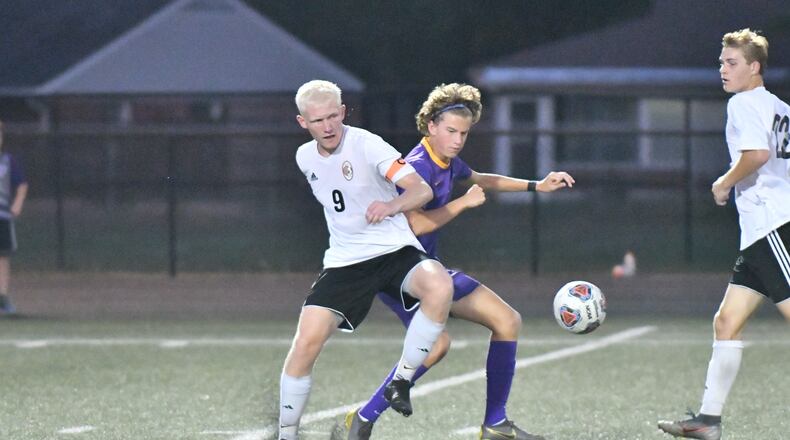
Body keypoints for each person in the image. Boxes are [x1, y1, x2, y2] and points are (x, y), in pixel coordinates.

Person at [344, 83, 574, 440]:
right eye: (450, 131)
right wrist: (462, 204)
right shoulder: (416, 168)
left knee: (506, 321)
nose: (457, 140)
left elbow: (482, 179)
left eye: (464, 133)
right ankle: (363, 417)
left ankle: (494, 424)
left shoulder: (446, 161)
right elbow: (415, 225)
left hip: (430, 270)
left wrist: (536, 185)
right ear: (430, 126)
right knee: (437, 345)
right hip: (397, 273)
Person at [278, 80, 454, 440]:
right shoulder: (304, 157)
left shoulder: (368, 144)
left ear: (343, 112)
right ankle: (286, 434)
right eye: (317, 121)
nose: (327, 127)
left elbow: (422, 189)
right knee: (304, 344)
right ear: (302, 123)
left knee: (439, 283)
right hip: (345, 262)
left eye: (333, 116)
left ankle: (401, 380)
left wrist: (392, 205)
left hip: (394, 250)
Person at [658, 29, 790, 440]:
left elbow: (757, 155)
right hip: (758, 233)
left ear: (754, 67)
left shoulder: (743, 103)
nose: (723, 70)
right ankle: (708, 422)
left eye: (731, 63)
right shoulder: (780, 107)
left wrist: (723, 182)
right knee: (726, 322)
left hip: (772, 226)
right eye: (721, 63)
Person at [0, 120, 28, 315]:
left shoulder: (7, 161)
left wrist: (18, 202)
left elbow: (22, 183)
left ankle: (2, 298)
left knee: (2, 256)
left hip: (2, 216)